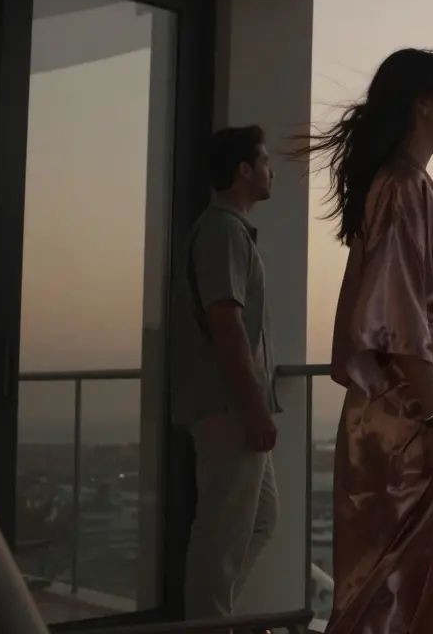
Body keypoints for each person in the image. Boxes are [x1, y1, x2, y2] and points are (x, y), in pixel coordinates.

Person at [299, 49, 433, 634]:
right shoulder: (399, 185)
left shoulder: (409, 182)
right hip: (409, 412)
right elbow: (395, 318)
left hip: (412, 405)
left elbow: (419, 304)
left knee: (416, 572)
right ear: (423, 104)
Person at [170, 124, 280, 623]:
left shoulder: (229, 231)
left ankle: (215, 617)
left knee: (259, 519)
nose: (269, 170)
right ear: (244, 170)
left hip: (232, 404)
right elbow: (225, 321)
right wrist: (254, 406)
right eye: (263, 160)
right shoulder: (221, 231)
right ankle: (207, 624)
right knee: (221, 536)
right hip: (229, 407)